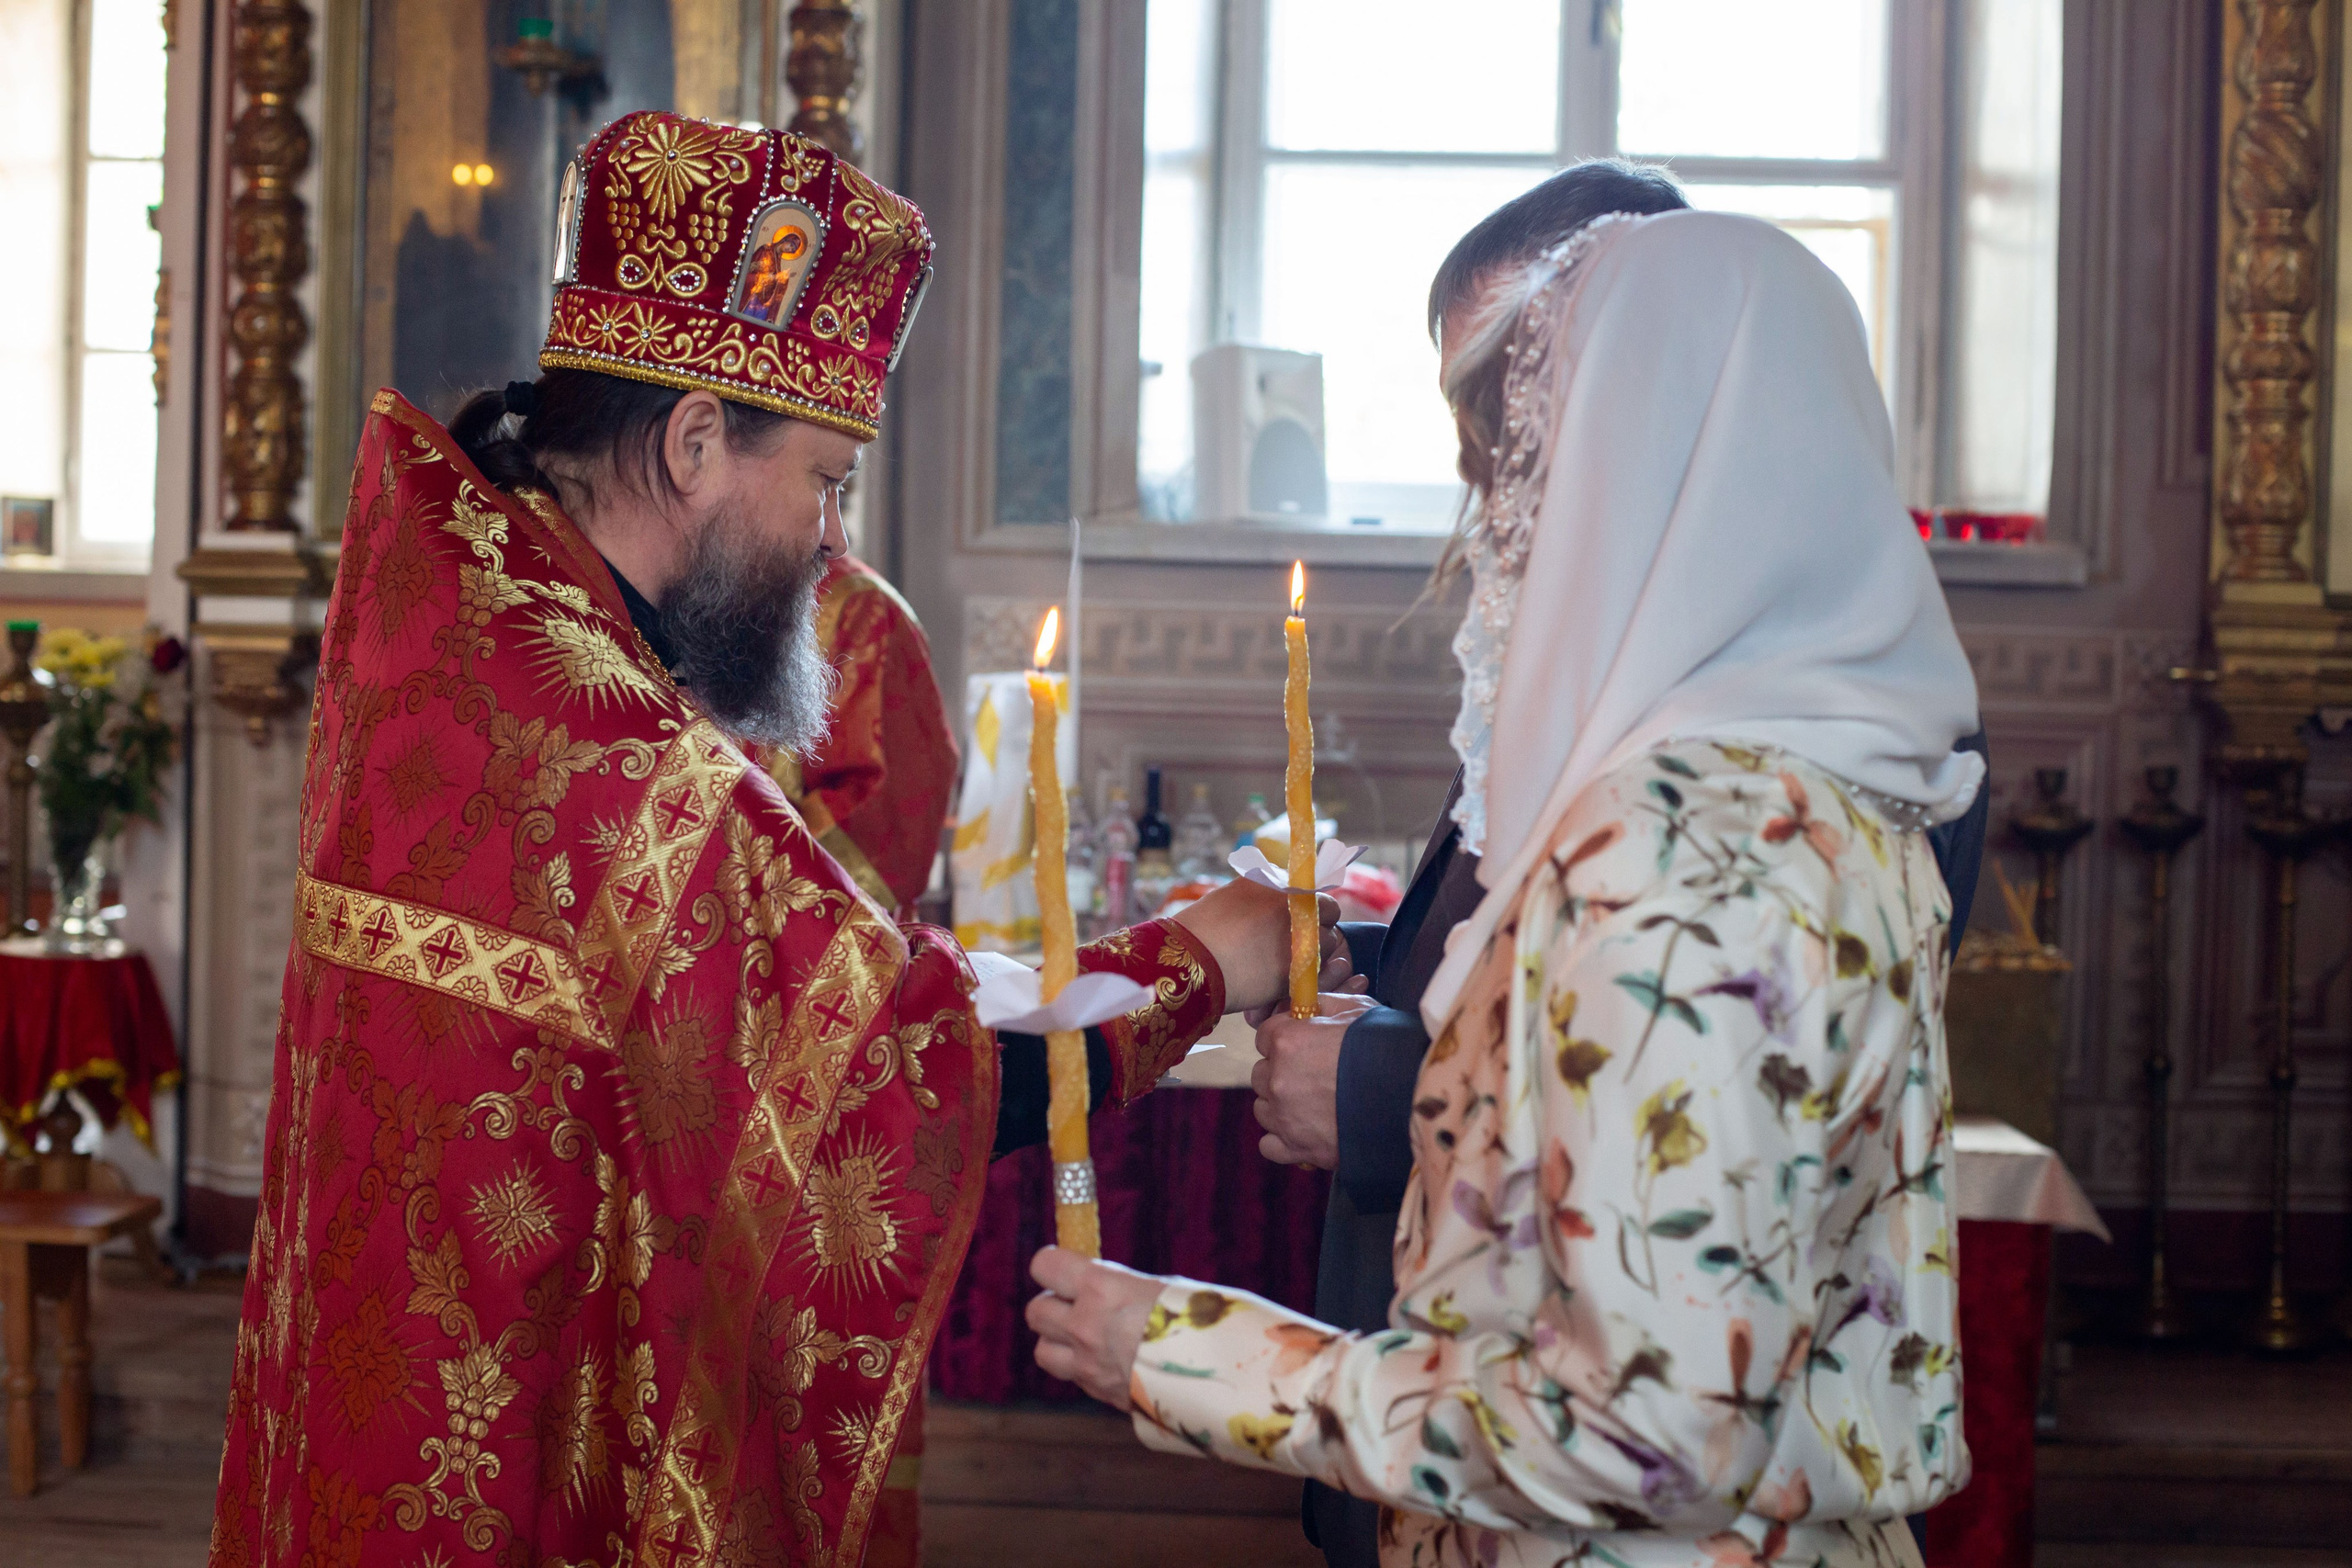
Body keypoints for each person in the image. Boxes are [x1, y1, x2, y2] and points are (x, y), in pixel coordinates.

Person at [208, 110, 1332, 1568]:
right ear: (691, 443)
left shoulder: (467, 606)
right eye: (823, 478)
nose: (828, 540)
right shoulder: (590, 737)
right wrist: (1198, 967)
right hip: (503, 1462)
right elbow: (886, 1094)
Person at [1029, 208, 1984, 1566]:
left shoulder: (1671, 850)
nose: (1499, 530)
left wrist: (1185, 1351)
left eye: (1528, 463)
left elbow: (1640, 1437)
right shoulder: (1840, 795)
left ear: (1641, 469)